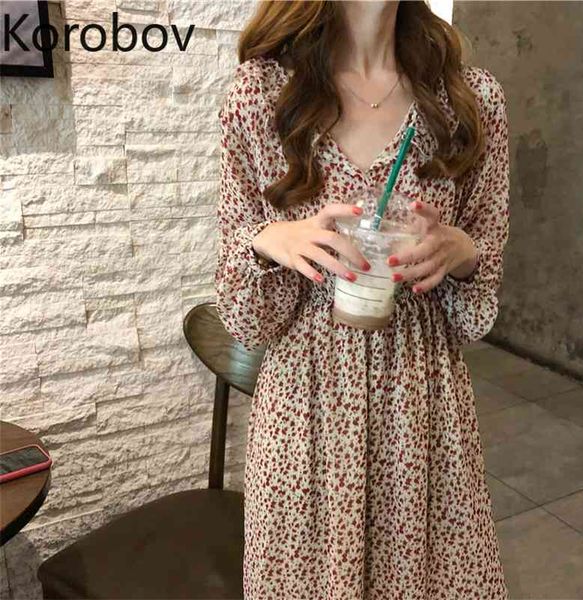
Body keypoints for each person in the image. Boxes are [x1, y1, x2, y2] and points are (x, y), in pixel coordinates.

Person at [215, 1, 510, 598]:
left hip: (424, 412)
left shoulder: (470, 101)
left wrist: (462, 254)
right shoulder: (261, 95)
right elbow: (247, 320)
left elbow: (476, 313)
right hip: (305, 417)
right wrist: (269, 242)